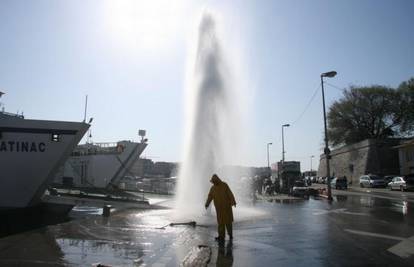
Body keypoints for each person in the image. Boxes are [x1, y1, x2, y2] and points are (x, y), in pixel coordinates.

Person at [205, 174, 236, 242]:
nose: (213, 182)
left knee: (228, 222)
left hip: (227, 208)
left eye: (214, 181)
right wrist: (207, 204)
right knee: (220, 223)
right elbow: (210, 197)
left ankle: (230, 235)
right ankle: (221, 236)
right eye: (213, 181)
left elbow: (230, 193)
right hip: (219, 209)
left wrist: (233, 202)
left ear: (217, 180)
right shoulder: (212, 188)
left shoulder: (224, 185)